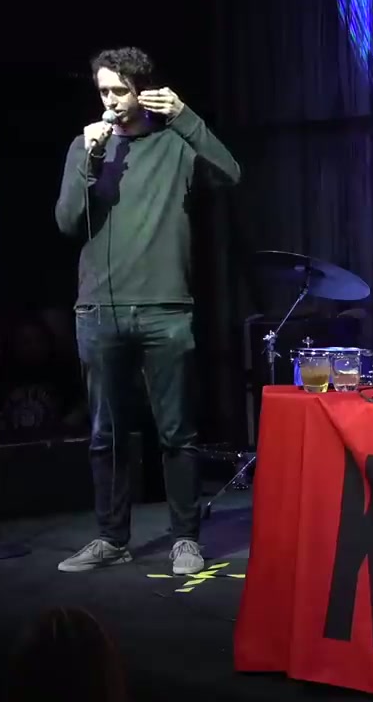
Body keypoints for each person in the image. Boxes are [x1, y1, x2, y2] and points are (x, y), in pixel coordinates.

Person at [53, 47, 241, 575]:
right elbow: (67, 222)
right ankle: (111, 538)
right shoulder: (86, 146)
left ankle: (185, 540)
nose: (111, 100)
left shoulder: (175, 144)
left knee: (176, 432)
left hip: (165, 309)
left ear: (144, 92)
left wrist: (186, 117)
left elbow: (230, 173)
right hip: (99, 310)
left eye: (120, 90)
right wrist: (91, 160)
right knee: (106, 435)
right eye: (103, 91)